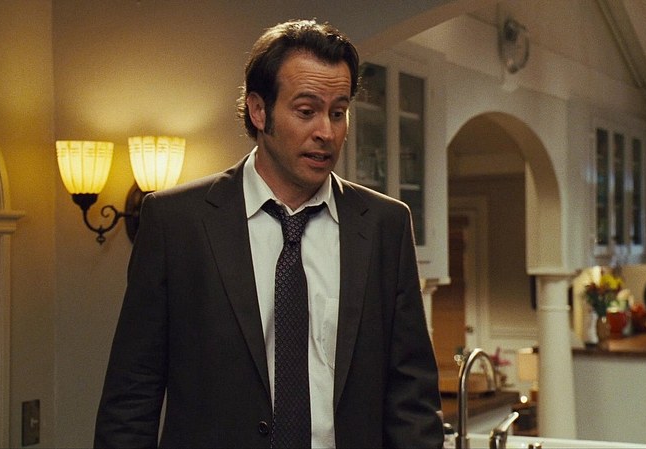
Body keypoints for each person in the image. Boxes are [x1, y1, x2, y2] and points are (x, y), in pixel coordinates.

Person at [94, 19, 443, 448]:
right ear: (259, 111)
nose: (326, 132)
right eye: (306, 111)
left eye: (338, 113)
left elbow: (413, 400)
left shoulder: (385, 225)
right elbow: (132, 396)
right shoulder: (177, 223)